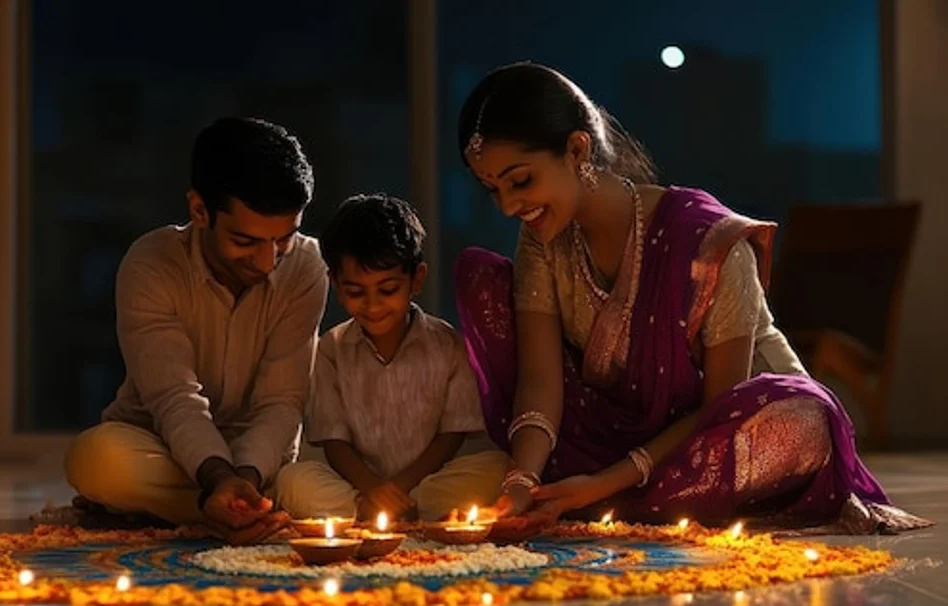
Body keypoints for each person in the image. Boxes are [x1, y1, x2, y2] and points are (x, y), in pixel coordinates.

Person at [452, 63, 929, 534]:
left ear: (577, 149)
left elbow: (721, 407)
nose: (508, 206)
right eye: (492, 190)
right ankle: (609, 494)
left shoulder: (707, 242)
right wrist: (522, 481)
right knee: (480, 281)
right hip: (616, 427)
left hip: (722, 429)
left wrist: (602, 484)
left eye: (520, 181)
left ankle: (613, 495)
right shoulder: (542, 237)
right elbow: (540, 381)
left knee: (804, 422)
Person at [65, 117, 329, 544]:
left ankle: (211, 509)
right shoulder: (151, 263)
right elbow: (174, 397)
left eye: (283, 239)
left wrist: (242, 478)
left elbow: (282, 402)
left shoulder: (307, 267)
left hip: (258, 463)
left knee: (311, 491)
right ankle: (253, 512)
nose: (267, 263)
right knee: (98, 461)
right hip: (163, 447)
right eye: (245, 241)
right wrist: (217, 479)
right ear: (199, 210)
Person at [275, 194, 508, 522]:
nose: (373, 306)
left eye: (387, 290)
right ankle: (372, 509)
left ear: (417, 278)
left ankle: (401, 508)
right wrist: (373, 490)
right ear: (335, 285)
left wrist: (399, 488)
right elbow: (334, 442)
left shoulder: (446, 344)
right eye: (356, 292)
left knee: (499, 469)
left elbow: (450, 436)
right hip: (358, 486)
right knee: (291, 480)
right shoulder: (331, 348)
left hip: (425, 484)